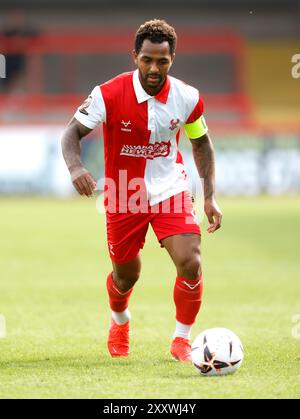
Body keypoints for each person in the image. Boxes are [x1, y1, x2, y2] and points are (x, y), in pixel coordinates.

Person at [61, 19, 222, 362]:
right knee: (126, 275)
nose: (154, 68)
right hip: (123, 193)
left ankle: (182, 339)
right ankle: (120, 320)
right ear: (134, 56)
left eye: (162, 61)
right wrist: (76, 167)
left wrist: (208, 196)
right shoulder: (107, 93)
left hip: (171, 189)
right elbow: (71, 133)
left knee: (190, 261)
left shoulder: (187, 97)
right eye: (147, 59)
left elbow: (202, 144)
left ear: (172, 59)